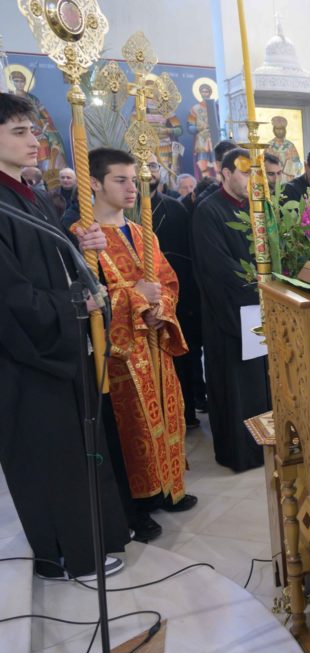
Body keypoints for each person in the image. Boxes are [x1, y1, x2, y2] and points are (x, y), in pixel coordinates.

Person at [0, 93, 130, 578]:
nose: (35, 140)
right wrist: (77, 303)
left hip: (57, 348)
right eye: (20, 131)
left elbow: (46, 260)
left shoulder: (26, 193)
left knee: (76, 452)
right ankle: (65, 556)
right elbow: (11, 297)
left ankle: (87, 545)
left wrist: (76, 244)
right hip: (27, 361)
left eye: (33, 130)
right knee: (50, 458)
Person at [76, 147, 197, 531]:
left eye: (134, 180)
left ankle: (168, 487)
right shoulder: (83, 237)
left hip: (154, 342)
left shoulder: (143, 232)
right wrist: (137, 297)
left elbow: (168, 281)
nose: (132, 188)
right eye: (120, 180)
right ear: (94, 183)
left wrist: (160, 308)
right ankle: (136, 506)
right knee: (130, 428)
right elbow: (88, 299)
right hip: (119, 354)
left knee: (166, 415)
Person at [191, 148, 270, 472]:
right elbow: (217, 267)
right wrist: (257, 284)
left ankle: (266, 447)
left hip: (260, 310)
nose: (253, 179)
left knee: (263, 383)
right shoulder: (208, 210)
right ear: (225, 174)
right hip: (229, 314)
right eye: (245, 172)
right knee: (237, 385)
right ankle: (240, 453)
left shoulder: (257, 208)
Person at [146, 154, 205, 430]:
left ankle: (185, 414)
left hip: (178, 297)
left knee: (183, 357)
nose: (148, 171)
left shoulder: (175, 209)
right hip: (141, 301)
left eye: (153, 165)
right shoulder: (122, 210)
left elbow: (189, 256)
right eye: (141, 164)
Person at [267, 116, 303, 181]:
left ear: (285, 130)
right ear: (273, 130)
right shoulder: (269, 146)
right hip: (274, 179)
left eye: (282, 129)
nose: (280, 131)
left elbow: (298, 164)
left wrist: (290, 167)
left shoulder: (290, 146)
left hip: (288, 180)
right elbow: (264, 164)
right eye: (277, 129)